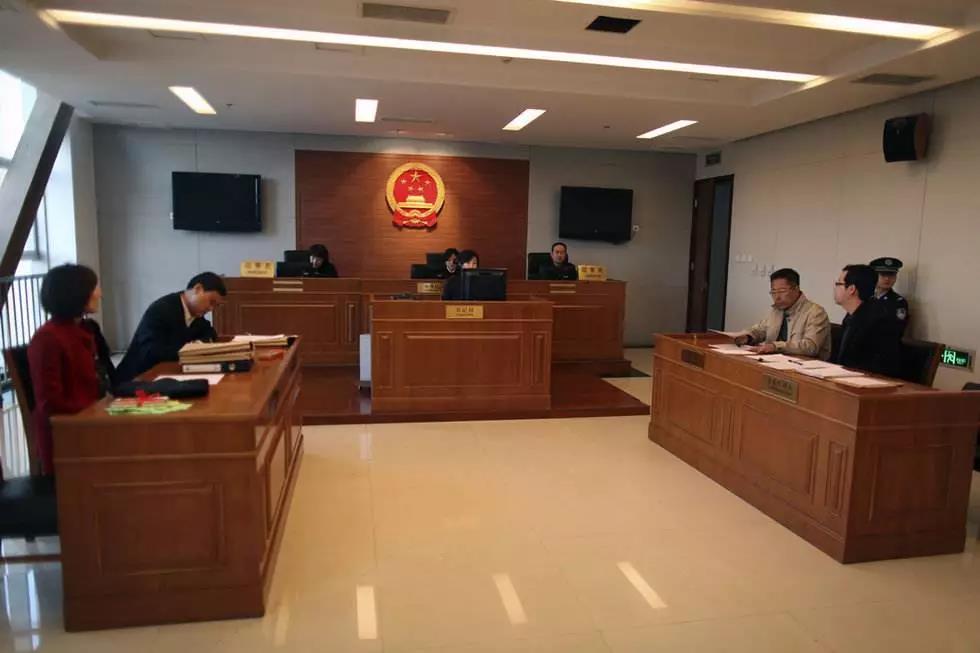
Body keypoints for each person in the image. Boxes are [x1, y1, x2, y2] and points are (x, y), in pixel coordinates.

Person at [27, 264, 114, 475]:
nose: (100, 294)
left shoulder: (82, 329)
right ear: (76, 293)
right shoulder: (48, 338)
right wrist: (100, 410)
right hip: (68, 437)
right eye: (94, 288)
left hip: (89, 422)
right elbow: (51, 402)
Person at [115, 272, 226, 382]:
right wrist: (189, 350)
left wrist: (197, 345)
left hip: (168, 374)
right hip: (137, 378)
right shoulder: (161, 309)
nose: (211, 309)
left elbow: (210, 333)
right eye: (211, 302)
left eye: (215, 305)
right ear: (197, 289)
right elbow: (152, 352)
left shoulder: (196, 314)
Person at [734, 268, 831, 359]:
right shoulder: (776, 310)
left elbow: (810, 346)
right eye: (773, 292)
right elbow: (761, 330)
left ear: (796, 289)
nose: (777, 297)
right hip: (775, 361)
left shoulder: (816, 313)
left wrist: (776, 346)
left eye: (782, 291)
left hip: (805, 365)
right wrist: (748, 337)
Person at [832, 264, 902, 376]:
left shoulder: (877, 320)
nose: (835, 288)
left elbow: (876, 366)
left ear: (851, 289)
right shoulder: (851, 316)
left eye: (838, 284)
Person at [869, 256, 909, 336]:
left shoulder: (898, 302)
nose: (887, 279)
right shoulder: (866, 297)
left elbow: (896, 329)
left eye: (891, 275)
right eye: (883, 275)